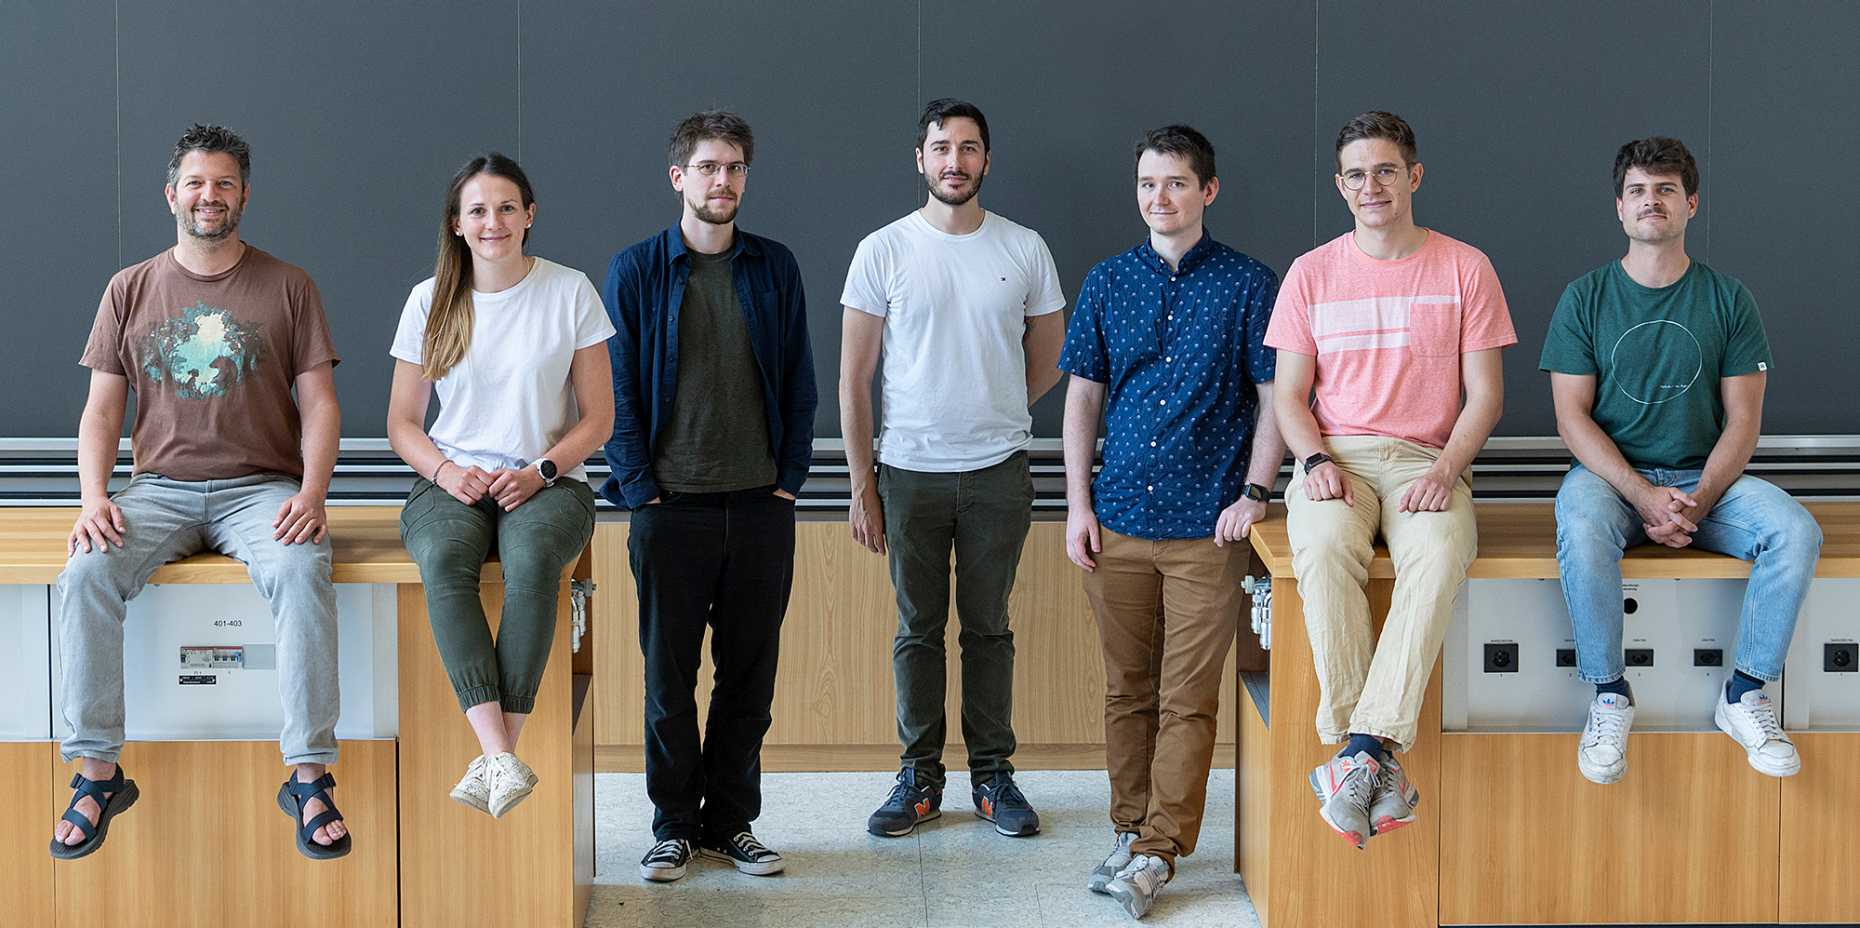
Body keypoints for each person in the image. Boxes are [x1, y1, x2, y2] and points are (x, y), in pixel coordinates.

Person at [54, 124, 349, 860]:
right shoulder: (129, 289)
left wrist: (312, 495)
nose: (208, 195)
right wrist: (95, 499)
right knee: (85, 571)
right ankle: (97, 773)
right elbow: (100, 410)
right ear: (171, 195)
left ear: (243, 195)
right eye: (195, 183)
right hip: (158, 490)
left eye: (223, 183)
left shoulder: (290, 284)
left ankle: (308, 776)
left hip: (263, 489)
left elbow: (319, 404)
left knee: (303, 568)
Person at [1266, 111, 1515, 849]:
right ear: (1339, 186)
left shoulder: (1465, 267)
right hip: (1334, 456)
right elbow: (1287, 395)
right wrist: (1312, 462)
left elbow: (1488, 395)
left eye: (1384, 170)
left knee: (1440, 554)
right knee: (1321, 550)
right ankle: (1370, 756)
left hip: (1424, 462)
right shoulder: (1311, 273)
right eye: (1355, 174)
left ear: (1414, 176)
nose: (1369, 185)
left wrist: (1446, 470)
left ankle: (1355, 755)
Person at [1543, 136, 1821, 785]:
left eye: (1665, 189)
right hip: (1612, 482)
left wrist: (1696, 499)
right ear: (1619, 207)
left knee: (1795, 530)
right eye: (1638, 190)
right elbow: (1570, 418)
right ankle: (1610, 695)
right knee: (1579, 522)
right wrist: (1644, 496)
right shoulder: (1585, 298)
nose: (1652, 201)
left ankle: (1745, 693)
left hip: (1707, 481)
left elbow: (1745, 421)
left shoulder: (1729, 299)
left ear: (1690, 203)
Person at [1060, 125, 1284, 918]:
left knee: (1187, 697)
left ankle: (1159, 851)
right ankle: (1129, 829)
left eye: (1178, 183)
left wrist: (1255, 494)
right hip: (1115, 517)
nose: (1162, 197)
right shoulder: (1107, 281)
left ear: (1208, 191)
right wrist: (1077, 504)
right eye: (1149, 184)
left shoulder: (1252, 285)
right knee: (1127, 691)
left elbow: (1276, 400)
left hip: (1206, 528)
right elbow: (1082, 397)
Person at [839, 98, 1066, 839]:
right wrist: (862, 485)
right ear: (920, 159)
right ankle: (920, 775)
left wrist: (994, 406)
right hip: (907, 473)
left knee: (989, 627)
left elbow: (1046, 357)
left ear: (986, 160)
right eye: (941, 148)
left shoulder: (1023, 248)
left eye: (969, 148)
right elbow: (854, 378)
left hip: (999, 470)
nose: (954, 161)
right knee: (917, 630)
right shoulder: (883, 250)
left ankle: (993, 777)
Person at [603, 111, 816, 882]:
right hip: (671, 510)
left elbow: (799, 377)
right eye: (707, 168)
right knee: (669, 682)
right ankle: (671, 827)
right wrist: (641, 492)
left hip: (761, 506)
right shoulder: (635, 271)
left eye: (733, 168)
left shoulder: (774, 267)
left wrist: (789, 482)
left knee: (748, 681)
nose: (721, 181)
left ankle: (731, 825)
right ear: (678, 178)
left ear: (744, 179)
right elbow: (615, 391)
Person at [387, 152, 613, 818]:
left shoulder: (569, 291)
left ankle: (496, 757)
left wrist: (541, 470)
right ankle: (500, 752)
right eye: (479, 210)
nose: (494, 222)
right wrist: (447, 471)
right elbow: (403, 423)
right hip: (449, 479)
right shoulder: (429, 300)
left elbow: (600, 417)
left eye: (507, 208)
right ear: (457, 223)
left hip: (548, 481)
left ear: (530, 216)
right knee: (445, 560)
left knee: (532, 559)